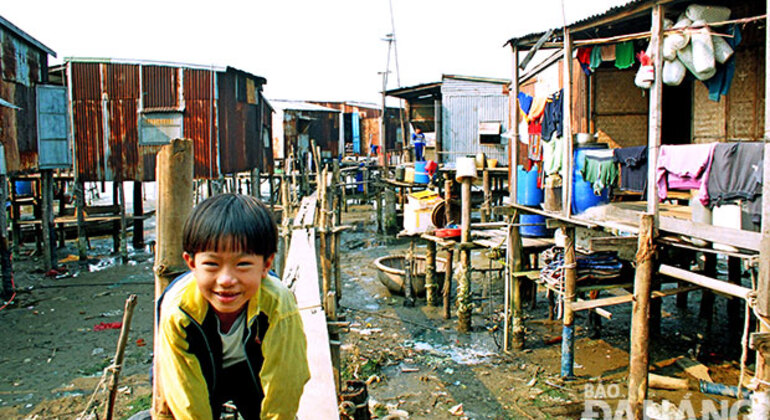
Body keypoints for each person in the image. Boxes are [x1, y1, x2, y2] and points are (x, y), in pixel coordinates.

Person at [153, 193, 310, 420]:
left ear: (266, 265)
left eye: (243, 264)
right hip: (195, 369)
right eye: (211, 264)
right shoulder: (178, 310)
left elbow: (285, 381)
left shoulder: (277, 304)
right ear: (191, 263)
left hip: (251, 369)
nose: (226, 280)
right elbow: (185, 396)